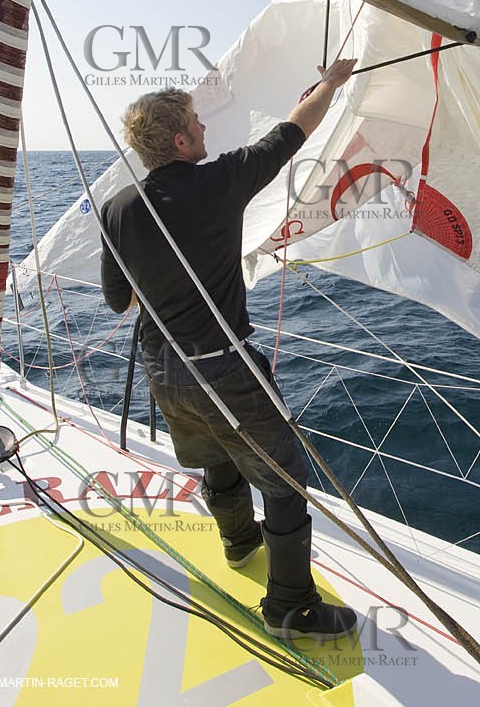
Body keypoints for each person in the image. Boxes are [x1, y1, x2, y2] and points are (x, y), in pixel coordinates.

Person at [98, 58, 358, 641]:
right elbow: (294, 131)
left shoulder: (116, 209)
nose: (207, 131)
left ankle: (240, 546)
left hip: (163, 369)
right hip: (226, 369)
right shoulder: (221, 181)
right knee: (286, 482)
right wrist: (333, 83)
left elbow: (118, 301)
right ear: (182, 139)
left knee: (216, 457)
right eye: (197, 122)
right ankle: (292, 611)